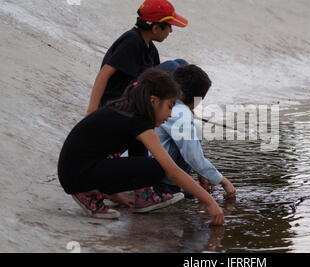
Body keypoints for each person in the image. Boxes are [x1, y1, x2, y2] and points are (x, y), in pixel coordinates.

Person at [57, 68, 224, 225]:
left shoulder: (129, 111)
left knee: (141, 154)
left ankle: (144, 197)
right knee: (158, 167)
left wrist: (115, 196)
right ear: (153, 101)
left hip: (76, 170)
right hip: (76, 176)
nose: (171, 114)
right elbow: (172, 170)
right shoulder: (136, 122)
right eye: (170, 106)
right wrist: (209, 201)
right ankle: (87, 193)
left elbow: (132, 157)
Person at [86, 0, 188, 116]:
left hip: (134, 94)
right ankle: (179, 111)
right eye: (169, 26)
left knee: (183, 65)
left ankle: (187, 108)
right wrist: (92, 110)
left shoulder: (150, 48)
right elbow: (104, 73)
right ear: (155, 29)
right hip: (115, 102)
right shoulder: (132, 41)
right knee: (172, 67)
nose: (171, 30)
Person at [153, 65, 236, 199]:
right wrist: (223, 181)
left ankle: (172, 186)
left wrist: (202, 172)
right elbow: (192, 155)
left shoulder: (163, 100)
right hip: (151, 171)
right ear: (198, 100)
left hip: (139, 162)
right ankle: (166, 188)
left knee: (193, 133)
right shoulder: (181, 113)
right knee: (194, 133)